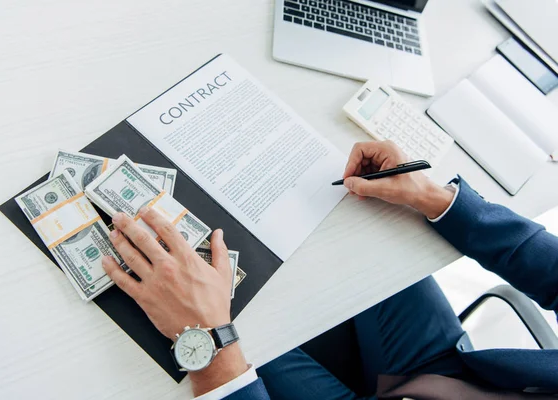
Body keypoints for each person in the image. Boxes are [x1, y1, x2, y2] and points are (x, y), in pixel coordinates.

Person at [101, 141, 558, 399]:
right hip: (454, 377)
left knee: (236, 313)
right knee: (346, 226)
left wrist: (211, 348)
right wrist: (435, 198)